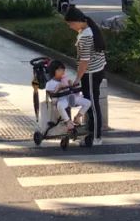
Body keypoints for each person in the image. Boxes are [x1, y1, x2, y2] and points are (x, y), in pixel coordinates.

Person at [64, 8, 107, 145]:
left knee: (92, 105)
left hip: (91, 73)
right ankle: (92, 133)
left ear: (77, 21)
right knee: (91, 102)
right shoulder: (88, 29)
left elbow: (84, 61)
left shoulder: (85, 36)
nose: (70, 27)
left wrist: (77, 79)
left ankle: (96, 137)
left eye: (71, 24)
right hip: (97, 70)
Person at [45, 59, 91, 133]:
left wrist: (71, 85)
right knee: (60, 105)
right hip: (61, 99)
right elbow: (52, 95)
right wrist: (58, 87)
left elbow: (70, 89)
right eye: (59, 70)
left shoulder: (64, 80)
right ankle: (68, 121)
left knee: (88, 102)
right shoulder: (50, 83)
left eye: (63, 70)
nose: (62, 72)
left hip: (70, 97)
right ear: (54, 71)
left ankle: (78, 117)